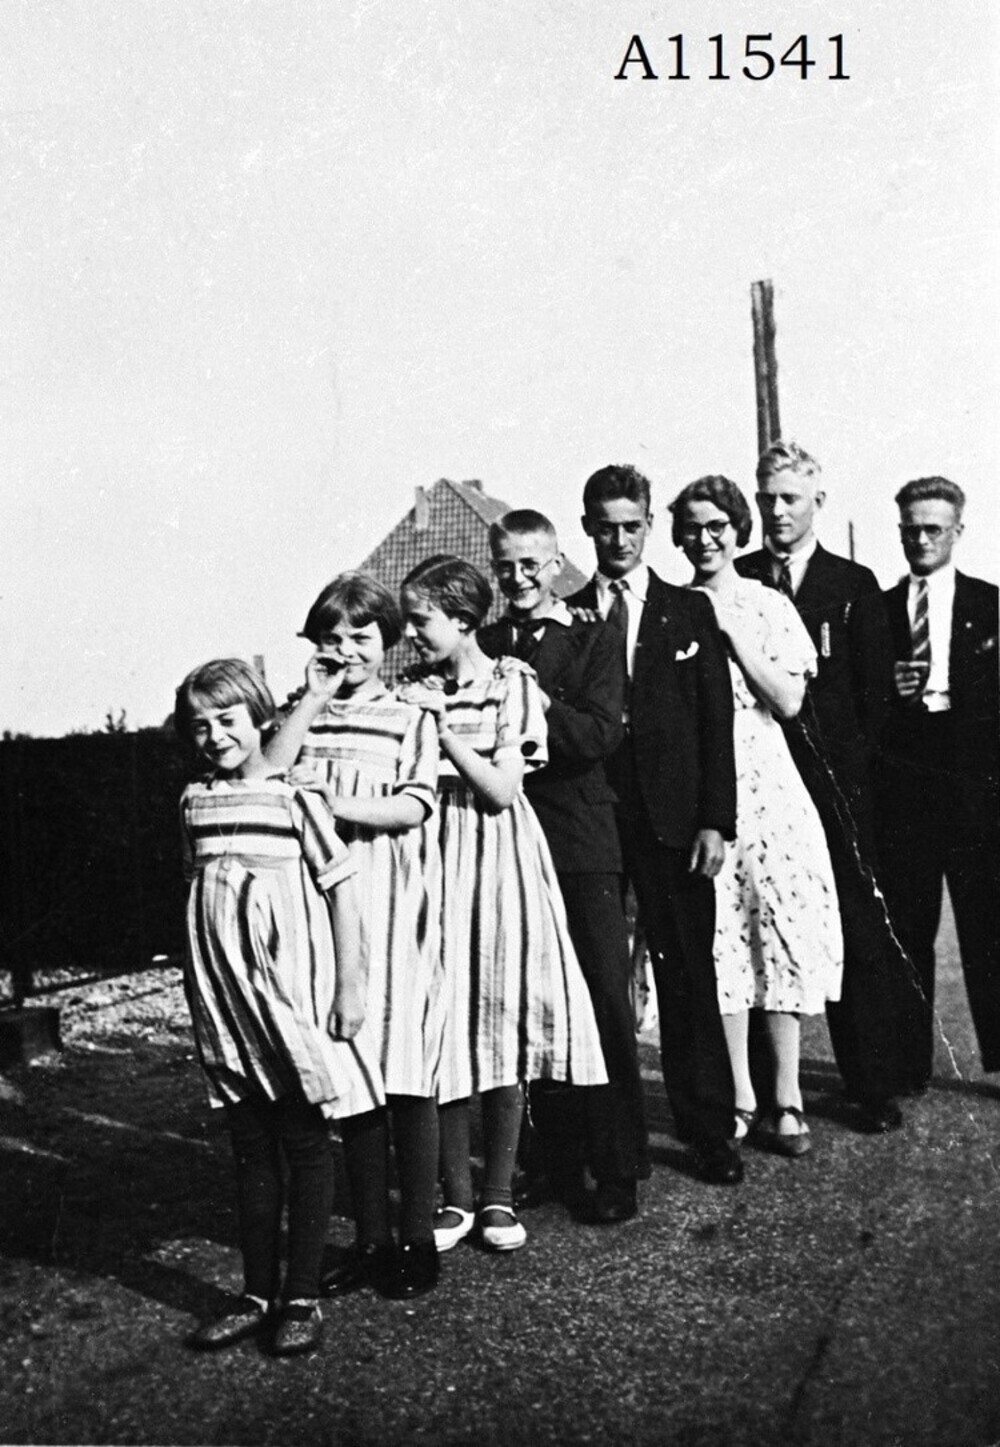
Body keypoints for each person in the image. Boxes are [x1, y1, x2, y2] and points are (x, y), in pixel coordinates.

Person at [398, 555, 607, 1254]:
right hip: (431, 860)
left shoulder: (512, 683)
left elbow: (501, 790)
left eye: (421, 620)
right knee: (443, 1024)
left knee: (501, 1016)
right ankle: (456, 1197)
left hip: (496, 859)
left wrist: (444, 733)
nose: (411, 634)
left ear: (462, 620)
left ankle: (498, 1194)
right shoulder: (411, 689)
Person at [175, 659, 382, 1357]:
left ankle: (301, 1297)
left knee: (304, 1142)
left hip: (288, 1002)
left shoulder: (293, 800)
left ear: (261, 718)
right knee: (250, 1150)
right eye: (199, 725)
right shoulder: (193, 802)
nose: (214, 735)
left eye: (227, 719)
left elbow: (342, 890)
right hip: (226, 1006)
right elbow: (201, 895)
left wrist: (350, 985)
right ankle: (256, 1292)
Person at [265, 573, 444, 1301]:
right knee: (353, 1071)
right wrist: (310, 700)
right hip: (320, 909)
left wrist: (335, 801)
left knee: (405, 1067)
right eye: (332, 637)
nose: (347, 650)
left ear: (388, 642)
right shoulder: (299, 715)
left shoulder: (409, 717)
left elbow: (415, 804)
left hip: (391, 902)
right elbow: (268, 775)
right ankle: (371, 1237)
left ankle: (418, 1237)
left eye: (362, 637)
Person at [567, 465, 742, 1186]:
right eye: (605, 527)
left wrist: (715, 821)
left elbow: (716, 723)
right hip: (594, 820)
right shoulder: (568, 615)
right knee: (603, 984)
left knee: (688, 975)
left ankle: (708, 1131)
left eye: (632, 526)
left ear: (648, 527)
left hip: (674, 821)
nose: (619, 540)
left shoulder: (688, 610)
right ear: (587, 528)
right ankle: (617, 1146)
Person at [479, 509, 648, 1223]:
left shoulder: (594, 634)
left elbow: (599, 734)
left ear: (555, 565)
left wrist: (533, 699)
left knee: (603, 999)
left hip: (579, 838)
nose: (518, 578)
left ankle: (618, 1167)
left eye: (531, 564)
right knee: (530, 999)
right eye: (506, 566)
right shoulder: (483, 642)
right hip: (506, 840)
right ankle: (553, 1160)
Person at [671, 477, 843, 1156]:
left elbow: (789, 701)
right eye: (692, 527)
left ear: (737, 529)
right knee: (722, 939)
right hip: (703, 791)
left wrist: (734, 631)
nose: (705, 538)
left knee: (779, 928)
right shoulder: (670, 608)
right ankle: (740, 1094)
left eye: (717, 525)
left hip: (769, 786)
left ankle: (788, 1095)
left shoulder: (767, 604)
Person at [735, 441, 904, 1133]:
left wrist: (853, 782)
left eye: (791, 498)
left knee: (857, 929)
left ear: (818, 503)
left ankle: (871, 1084)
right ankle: (758, 1094)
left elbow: (874, 700)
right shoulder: (738, 577)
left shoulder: (853, 583)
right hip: (761, 784)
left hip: (836, 787)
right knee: (756, 926)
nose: (777, 511)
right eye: (768, 498)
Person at [878, 478, 1000, 1090]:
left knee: (989, 926)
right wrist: (889, 688)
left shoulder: (991, 604)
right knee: (907, 923)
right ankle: (907, 1065)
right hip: (908, 780)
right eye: (911, 529)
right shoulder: (877, 609)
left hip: (975, 779)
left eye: (933, 529)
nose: (921, 540)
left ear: (958, 531)